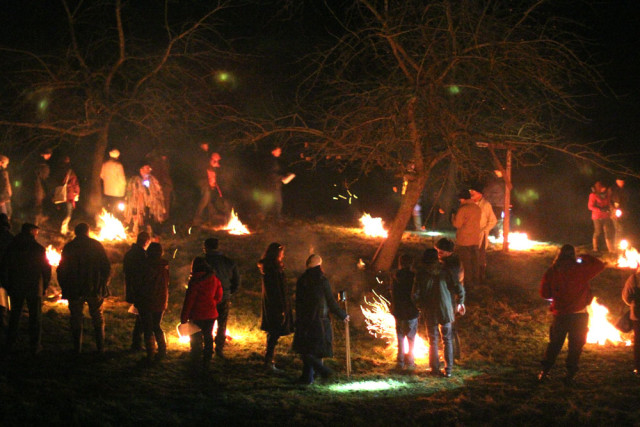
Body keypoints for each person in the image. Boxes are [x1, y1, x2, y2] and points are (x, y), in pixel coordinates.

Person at [538, 244, 605, 385]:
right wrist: (583, 256)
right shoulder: (581, 269)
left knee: (555, 344)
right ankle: (570, 374)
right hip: (579, 315)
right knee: (576, 346)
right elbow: (599, 265)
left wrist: (555, 296)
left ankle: (544, 371)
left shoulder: (552, 271)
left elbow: (544, 293)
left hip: (560, 314)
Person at [292, 254, 349, 384]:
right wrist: (343, 315)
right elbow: (330, 301)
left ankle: (309, 377)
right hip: (319, 321)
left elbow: (298, 302)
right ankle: (318, 372)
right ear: (319, 265)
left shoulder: (302, 279)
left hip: (305, 320)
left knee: (307, 349)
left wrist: (298, 319)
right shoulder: (322, 280)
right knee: (313, 350)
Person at [57, 223, 111, 353]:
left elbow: (62, 269)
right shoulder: (96, 246)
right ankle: (100, 348)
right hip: (94, 288)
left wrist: (64, 286)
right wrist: (103, 284)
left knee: (76, 317)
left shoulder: (69, 247)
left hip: (74, 289)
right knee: (97, 317)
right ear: (88, 231)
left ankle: (77, 349)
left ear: (76, 232)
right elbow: (106, 267)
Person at [412, 248, 466, 378]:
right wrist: (460, 302)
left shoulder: (421, 273)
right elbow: (459, 288)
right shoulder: (446, 271)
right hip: (446, 310)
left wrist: (420, 306)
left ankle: (434, 368)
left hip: (430, 311)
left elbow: (414, 294)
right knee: (447, 339)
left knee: (433, 340)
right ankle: (448, 369)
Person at [0, 223, 51, 355]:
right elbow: (46, 270)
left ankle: (10, 344)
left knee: (15, 316)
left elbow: (5, 266)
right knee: (35, 317)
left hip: (16, 286)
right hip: (34, 287)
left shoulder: (12, 247)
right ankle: (34, 346)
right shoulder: (38, 249)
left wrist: (7, 284)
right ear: (31, 232)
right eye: (36, 231)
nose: (37, 234)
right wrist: (44, 286)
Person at [180, 256, 223, 370]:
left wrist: (184, 317)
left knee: (195, 337)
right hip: (211, 314)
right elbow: (219, 295)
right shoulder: (214, 278)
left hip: (196, 315)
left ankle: (195, 358)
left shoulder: (195, 281)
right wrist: (213, 302)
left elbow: (189, 300)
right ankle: (207, 359)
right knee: (208, 336)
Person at [258, 242, 294, 371]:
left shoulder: (272, 267)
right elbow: (276, 290)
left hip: (274, 304)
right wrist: (282, 309)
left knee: (273, 333)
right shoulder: (272, 269)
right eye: (281, 252)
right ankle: (268, 362)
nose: (283, 255)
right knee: (274, 332)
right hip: (275, 306)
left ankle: (269, 360)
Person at [203, 237, 241, 359]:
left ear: (206, 247)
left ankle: (207, 349)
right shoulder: (228, 262)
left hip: (207, 298)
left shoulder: (202, 262)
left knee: (207, 324)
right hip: (224, 297)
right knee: (222, 324)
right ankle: (219, 349)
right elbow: (237, 281)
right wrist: (229, 293)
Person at [136, 242, 169, 364]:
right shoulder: (165, 265)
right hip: (161, 300)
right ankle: (162, 351)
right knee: (156, 325)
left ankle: (150, 354)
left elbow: (141, 283)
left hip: (147, 300)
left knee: (148, 328)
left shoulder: (145, 266)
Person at [434, 237, 464, 359]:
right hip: (449, 299)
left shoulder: (452, 266)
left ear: (449, 252)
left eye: (440, 252)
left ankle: (454, 354)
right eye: (436, 251)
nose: (438, 255)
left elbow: (456, 285)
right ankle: (454, 354)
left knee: (450, 328)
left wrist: (460, 301)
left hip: (450, 300)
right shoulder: (450, 263)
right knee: (450, 328)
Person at [123, 231, 151, 351]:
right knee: (144, 317)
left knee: (141, 316)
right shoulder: (142, 255)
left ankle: (137, 343)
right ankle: (139, 343)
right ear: (146, 242)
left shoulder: (129, 253)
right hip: (141, 290)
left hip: (132, 288)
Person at [391, 253, 419, 369]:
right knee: (411, 338)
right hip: (411, 311)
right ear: (411, 264)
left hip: (399, 311)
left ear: (400, 263)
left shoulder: (395, 276)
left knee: (400, 337)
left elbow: (393, 294)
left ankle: (400, 361)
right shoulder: (414, 277)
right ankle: (410, 361)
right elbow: (416, 294)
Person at [124, 161, 166, 235]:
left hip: (151, 206)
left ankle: (152, 233)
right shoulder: (135, 180)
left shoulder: (152, 179)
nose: (149, 170)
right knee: (140, 221)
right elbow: (133, 194)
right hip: (138, 206)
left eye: (149, 168)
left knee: (150, 220)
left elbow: (158, 191)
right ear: (141, 169)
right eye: (147, 168)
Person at [451, 189, 482, 289]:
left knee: (465, 263)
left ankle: (468, 283)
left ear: (462, 199)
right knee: (474, 261)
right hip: (475, 239)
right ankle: (476, 281)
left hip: (464, 240)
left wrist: (452, 216)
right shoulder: (477, 208)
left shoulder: (463, 208)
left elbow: (457, 224)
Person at [469, 185, 497, 281]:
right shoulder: (469, 203)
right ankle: (471, 275)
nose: (471, 193)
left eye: (474, 191)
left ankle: (481, 276)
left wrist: (484, 229)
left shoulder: (486, 205)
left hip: (481, 235)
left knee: (480, 256)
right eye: (471, 191)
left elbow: (493, 220)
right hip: (470, 234)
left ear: (480, 194)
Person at [193, 152, 227, 226]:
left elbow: (214, 176)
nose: (217, 162)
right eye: (215, 161)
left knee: (209, 203)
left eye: (218, 161)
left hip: (211, 187)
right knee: (204, 201)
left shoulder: (214, 168)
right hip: (205, 186)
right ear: (212, 160)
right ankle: (196, 219)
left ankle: (211, 219)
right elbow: (202, 177)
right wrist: (207, 185)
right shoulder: (205, 166)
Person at [52, 155, 80, 235]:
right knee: (68, 213)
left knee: (63, 212)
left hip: (60, 194)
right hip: (68, 195)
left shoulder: (57, 170)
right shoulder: (70, 172)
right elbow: (75, 183)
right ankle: (63, 230)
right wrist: (76, 193)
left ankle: (64, 228)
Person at [622, 268, 640, 376]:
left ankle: (638, 367)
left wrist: (632, 304)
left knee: (638, 342)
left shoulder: (634, 278)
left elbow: (626, 296)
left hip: (638, 315)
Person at [588, 181, 614, 253]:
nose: (604, 189)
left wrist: (611, 210)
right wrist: (600, 209)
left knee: (608, 231)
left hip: (606, 216)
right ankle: (595, 248)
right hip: (597, 216)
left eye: (605, 187)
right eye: (602, 187)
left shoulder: (607, 195)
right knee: (598, 232)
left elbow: (609, 203)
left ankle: (610, 249)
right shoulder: (593, 195)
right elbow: (590, 207)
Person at [100, 148, 127, 215]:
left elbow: (101, 176)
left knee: (109, 208)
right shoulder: (118, 165)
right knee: (117, 210)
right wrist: (126, 185)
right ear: (118, 156)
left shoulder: (105, 164)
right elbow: (122, 179)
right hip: (118, 193)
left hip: (107, 191)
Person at [0, 213, 13, 343]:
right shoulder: (9, 238)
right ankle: (4, 337)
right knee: (2, 307)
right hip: (4, 277)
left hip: (4, 276)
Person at [609, 178, 629, 251]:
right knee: (619, 229)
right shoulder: (613, 190)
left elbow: (625, 202)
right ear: (617, 181)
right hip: (616, 212)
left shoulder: (624, 190)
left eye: (623, 181)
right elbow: (611, 202)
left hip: (623, 213)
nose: (622, 182)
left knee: (622, 229)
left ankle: (622, 246)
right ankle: (617, 248)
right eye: (620, 181)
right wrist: (614, 211)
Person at [34, 147, 52, 226]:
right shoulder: (43, 165)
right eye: (49, 155)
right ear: (47, 155)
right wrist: (48, 190)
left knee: (37, 204)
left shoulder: (35, 161)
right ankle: (35, 223)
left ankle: (38, 219)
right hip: (38, 188)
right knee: (38, 205)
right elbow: (43, 179)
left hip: (34, 187)